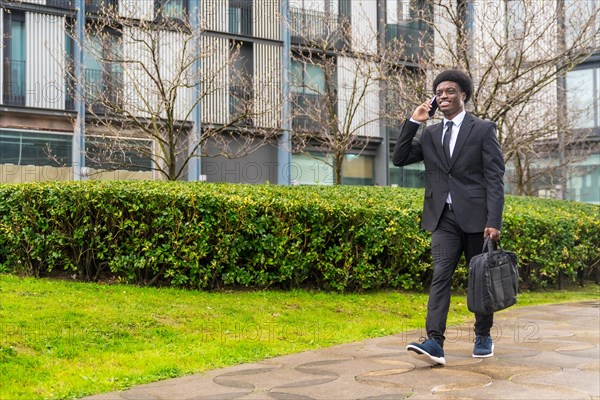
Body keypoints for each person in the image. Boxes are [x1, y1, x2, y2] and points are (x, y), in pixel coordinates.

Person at [392, 69, 505, 366]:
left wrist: (494, 220)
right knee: (440, 276)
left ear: (463, 95)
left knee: (480, 279)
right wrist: (414, 121)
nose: (443, 96)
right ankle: (435, 342)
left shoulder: (482, 129)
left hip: (478, 220)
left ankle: (483, 335)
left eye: (450, 91)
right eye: (439, 92)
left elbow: (495, 178)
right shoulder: (430, 133)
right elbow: (399, 158)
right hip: (443, 218)